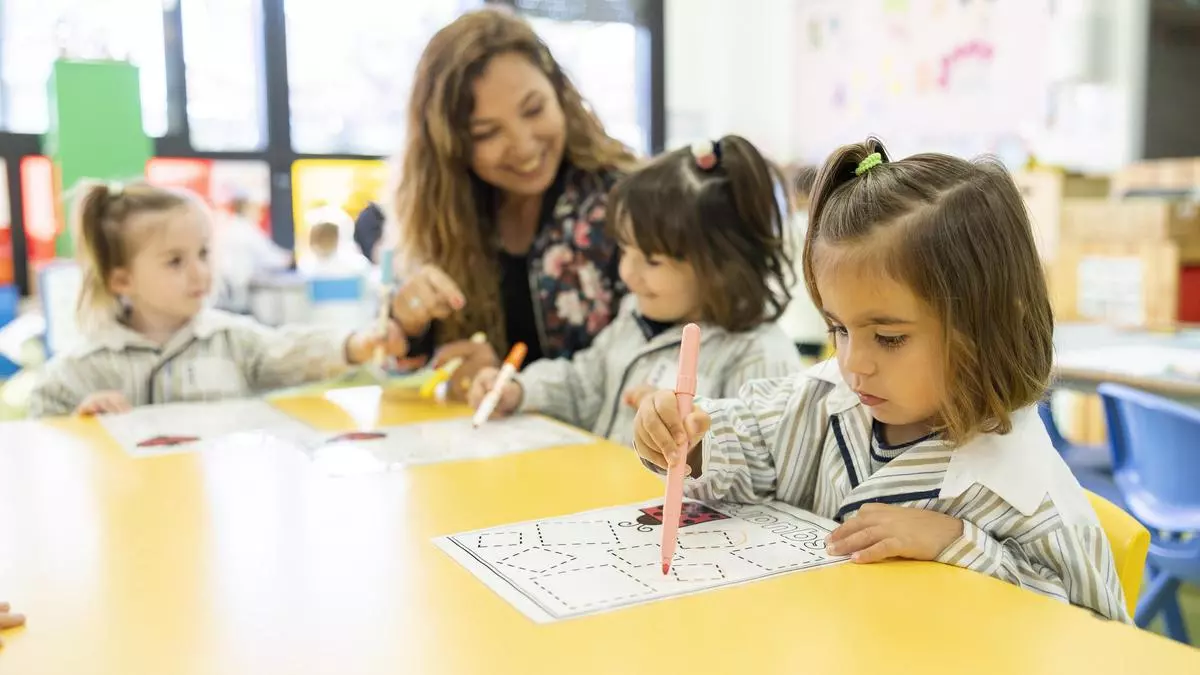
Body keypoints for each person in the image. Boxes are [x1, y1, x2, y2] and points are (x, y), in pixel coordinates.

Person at [631, 138, 1130, 622]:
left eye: (889, 337)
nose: (854, 363)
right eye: (839, 329)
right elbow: (751, 441)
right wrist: (688, 438)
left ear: (988, 327)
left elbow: (1086, 636)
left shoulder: (1025, 490)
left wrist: (955, 542)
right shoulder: (826, 400)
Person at [467, 137, 802, 445]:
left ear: (723, 266)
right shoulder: (634, 315)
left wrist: (690, 434)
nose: (627, 273)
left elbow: (762, 469)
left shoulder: (757, 354)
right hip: (607, 502)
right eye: (625, 250)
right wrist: (520, 390)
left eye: (652, 262)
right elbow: (583, 383)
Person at [387, 8, 639, 400]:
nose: (522, 146)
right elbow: (397, 372)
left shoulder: (627, 202)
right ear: (451, 148)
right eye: (487, 133)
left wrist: (513, 386)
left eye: (534, 109)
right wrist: (411, 329)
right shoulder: (453, 213)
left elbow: (654, 366)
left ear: (561, 94)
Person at [28, 182, 407, 418]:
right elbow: (41, 425)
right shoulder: (87, 365)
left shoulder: (231, 340)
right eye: (175, 261)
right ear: (121, 279)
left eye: (204, 254)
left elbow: (291, 349)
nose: (199, 273)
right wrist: (83, 420)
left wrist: (355, 344)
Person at [210, 193, 292, 313]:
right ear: (246, 208)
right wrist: (290, 258)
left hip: (226, 296)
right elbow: (273, 258)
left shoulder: (230, 227)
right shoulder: (247, 230)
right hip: (239, 295)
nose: (260, 212)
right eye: (257, 208)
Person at [298, 221, 371, 278]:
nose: (324, 241)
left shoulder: (357, 266)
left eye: (328, 236)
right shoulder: (305, 268)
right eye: (320, 237)